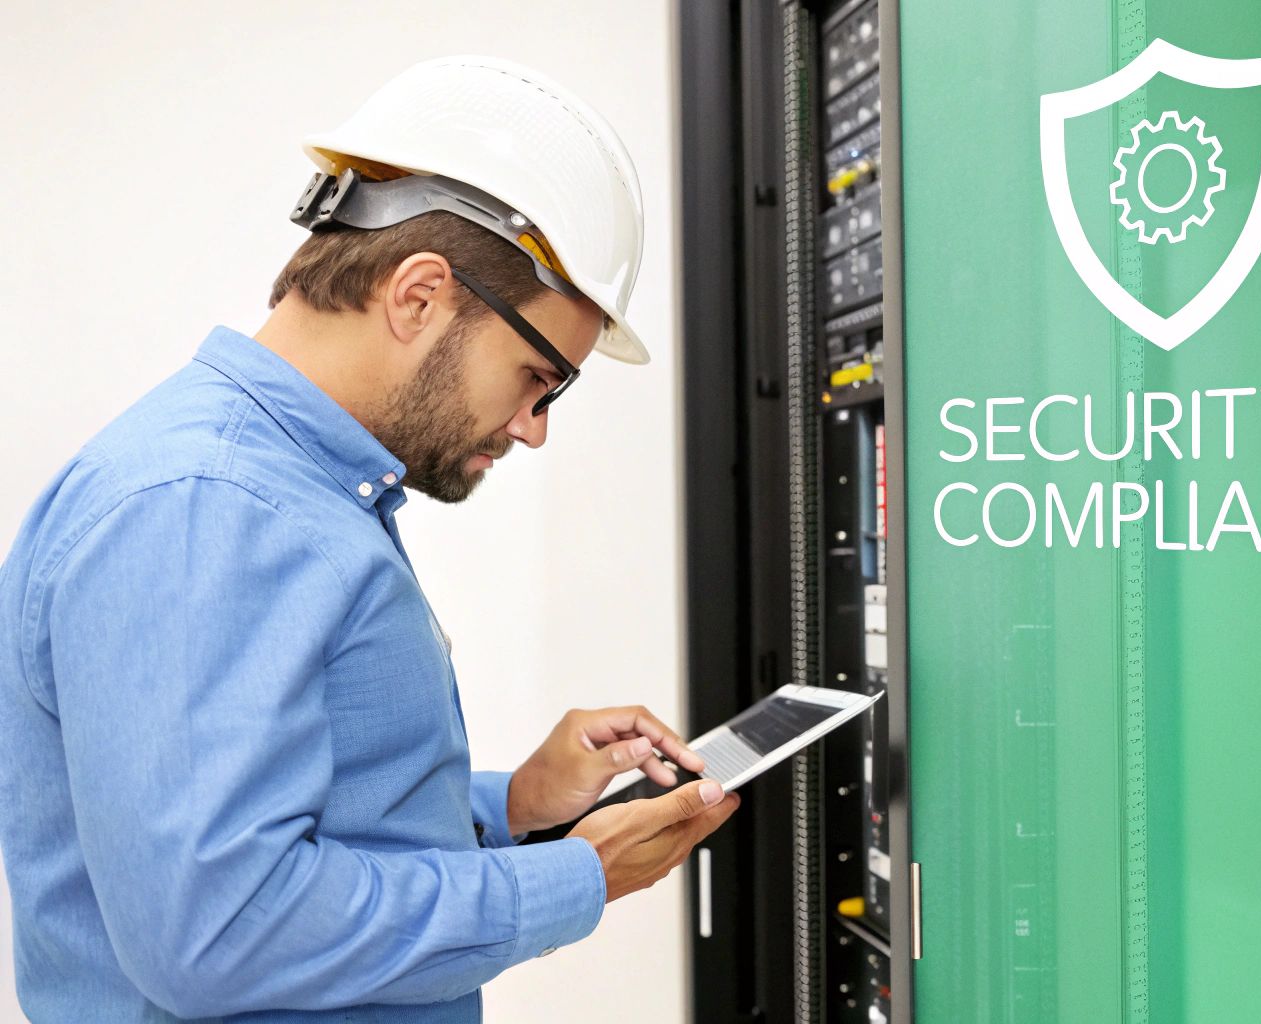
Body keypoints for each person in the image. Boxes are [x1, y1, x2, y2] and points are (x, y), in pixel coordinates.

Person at [0, 55, 736, 1021]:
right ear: (420, 295)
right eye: (538, 375)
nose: (534, 425)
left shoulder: (287, 494)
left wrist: (511, 807)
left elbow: (288, 822)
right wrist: (570, 878)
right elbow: (221, 932)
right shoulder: (206, 508)